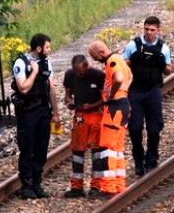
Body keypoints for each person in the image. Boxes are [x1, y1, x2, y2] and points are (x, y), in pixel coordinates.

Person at [11, 33, 60, 199]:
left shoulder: (47, 63)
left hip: (43, 110)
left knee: (41, 148)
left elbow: (51, 88)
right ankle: (26, 184)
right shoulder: (21, 63)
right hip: (27, 112)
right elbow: (23, 88)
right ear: (39, 48)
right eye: (47, 47)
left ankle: (37, 182)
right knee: (27, 148)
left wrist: (56, 113)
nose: (49, 50)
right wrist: (34, 73)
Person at [123, 16, 172, 176]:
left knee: (154, 127)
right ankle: (138, 160)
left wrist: (163, 66)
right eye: (146, 29)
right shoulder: (133, 45)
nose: (149, 32)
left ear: (158, 30)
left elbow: (168, 69)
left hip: (153, 91)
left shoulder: (163, 48)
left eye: (152, 30)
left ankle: (152, 158)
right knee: (135, 127)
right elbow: (123, 64)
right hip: (135, 91)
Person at [88, 40, 133, 197]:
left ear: (101, 53)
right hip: (123, 105)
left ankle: (108, 187)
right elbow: (129, 77)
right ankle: (119, 184)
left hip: (115, 107)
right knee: (117, 149)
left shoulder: (112, 61)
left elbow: (119, 79)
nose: (95, 61)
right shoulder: (121, 60)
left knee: (108, 148)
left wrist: (110, 95)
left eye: (95, 57)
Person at [63, 55, 105, 198]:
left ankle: (96, 186)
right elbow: (67, 93)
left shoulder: (98, 76)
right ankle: (77, 186)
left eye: (80, 71)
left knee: (97, 150)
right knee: (77, 150)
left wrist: (92, 105)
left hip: (95, 114)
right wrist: (68, 101)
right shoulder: (70, 75)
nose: (78, 74)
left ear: (86, 66)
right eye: (76, 71)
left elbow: (105, 98)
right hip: (80, 115)